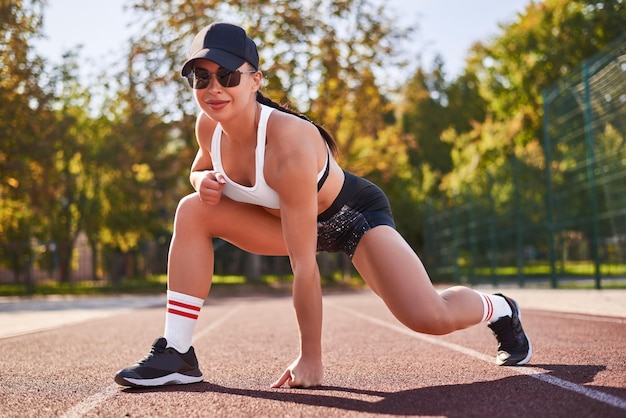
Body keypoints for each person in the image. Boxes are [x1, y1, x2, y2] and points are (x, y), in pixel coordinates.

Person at [114, 22, 532, 389]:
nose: (214, 88)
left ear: (256, 79)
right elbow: (199, 167)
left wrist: (311, 358)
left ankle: (499, 308)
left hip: (352, 218)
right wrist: (203, 180)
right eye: (201, 79)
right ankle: (178, 353)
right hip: (278, 222)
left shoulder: (290, 146)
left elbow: (305, 265)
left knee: (429, 318)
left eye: (226, 75)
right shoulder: (209, 124)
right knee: (192, 209)